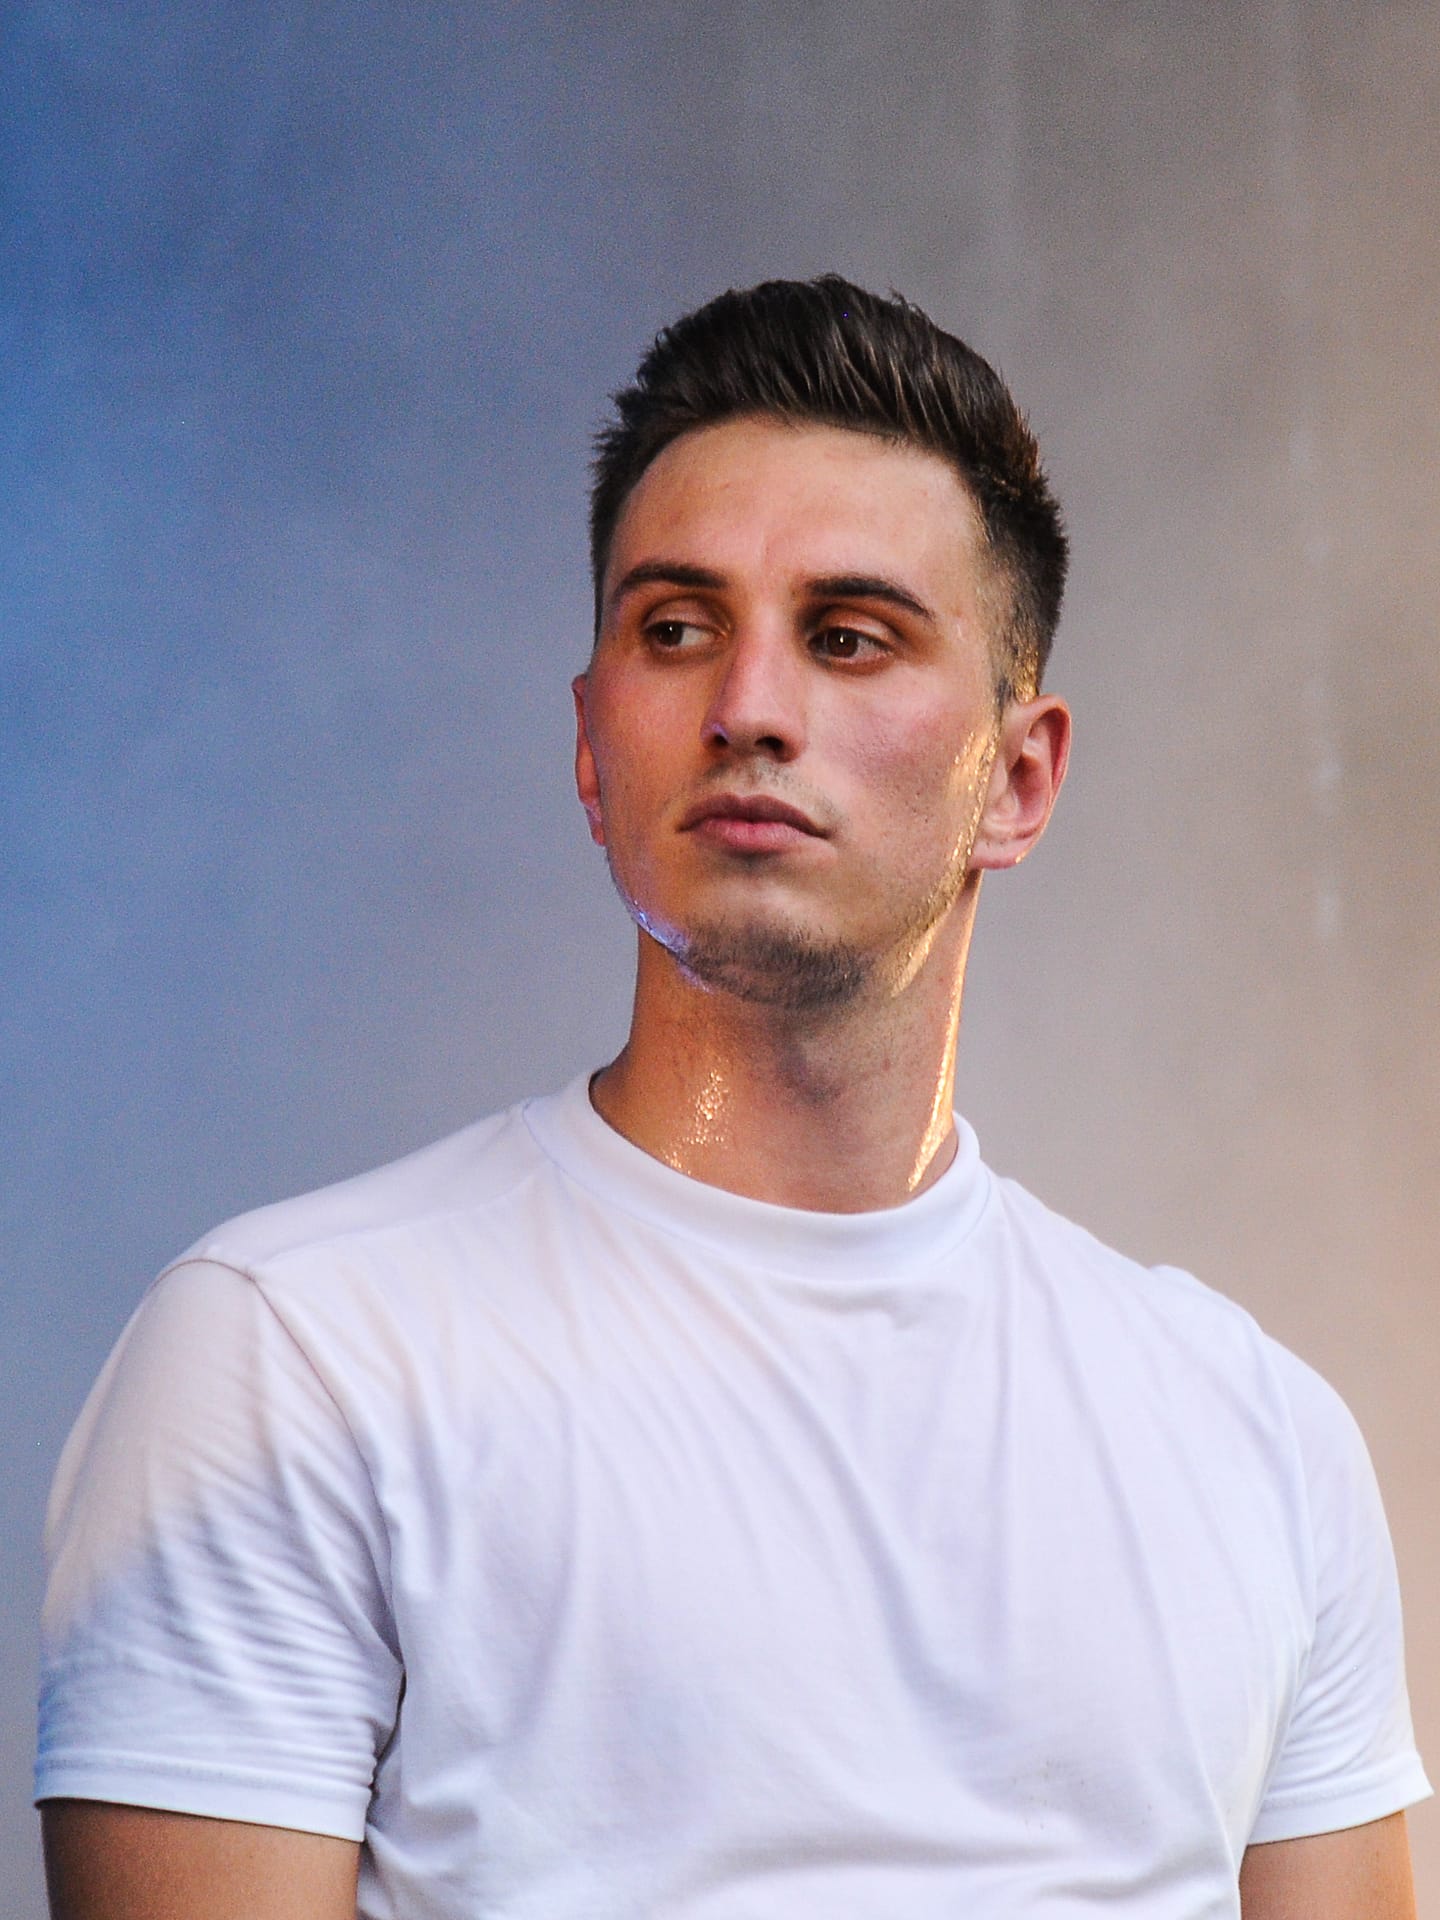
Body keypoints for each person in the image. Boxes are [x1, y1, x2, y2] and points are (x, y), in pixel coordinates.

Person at [37, 275, 1429, 1919]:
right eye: (676, 629)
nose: (748, 708)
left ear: (1020, 775)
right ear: (590, 746)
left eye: (849, 638)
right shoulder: (292, 1356)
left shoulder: (1256, 1438)